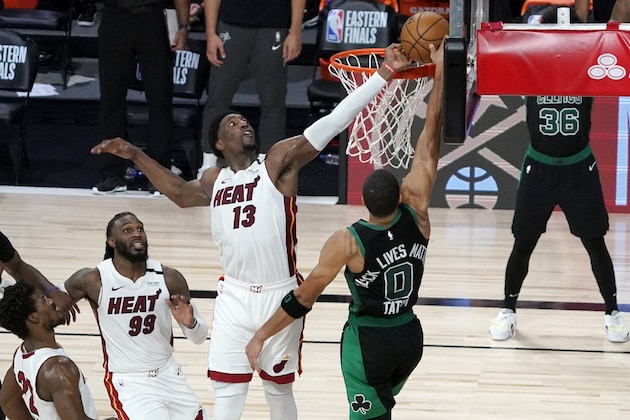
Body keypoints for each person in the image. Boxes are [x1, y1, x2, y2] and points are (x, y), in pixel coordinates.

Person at [89, 43, 412, 420]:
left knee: (278, 389)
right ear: (219, 144)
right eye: (233, 123)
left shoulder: (276, 163)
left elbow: (334, 121)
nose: (243, 124)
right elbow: (177, 192)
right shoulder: (215, 179)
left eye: (245, 120)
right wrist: (134, 154)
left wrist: (384, 75)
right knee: (227, 391)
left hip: (280, 292)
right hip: (234, 296)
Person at [244, 42, 444, 420]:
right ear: (399, 196)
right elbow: (429, 143)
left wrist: (260, 336)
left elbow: (302, 299)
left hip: (368, 343)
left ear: (365, 202)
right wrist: (441, 73)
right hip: (409, 336)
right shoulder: (417, 213)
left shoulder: (348, 242)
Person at [488, 5, 629, 344]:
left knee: (595, 243)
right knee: (523, 243)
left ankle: (613, 312)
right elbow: (503, 45)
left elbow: (615, 25)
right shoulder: (530, 68)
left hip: (580, 168)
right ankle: (507, 309)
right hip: (539, 168)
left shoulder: (589, 68)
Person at [62, 212, 210, 419]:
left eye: (140, 229)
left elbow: (199, 337)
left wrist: (190, 323)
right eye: (127, 230)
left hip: (169, 373)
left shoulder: (168, 277)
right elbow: (50, 302)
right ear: (111, 241)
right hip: (130, 382)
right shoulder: (94, 279)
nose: (137, 234)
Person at [197, 0, 305, 178]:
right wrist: (210, 33)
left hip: (273, 25)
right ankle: (208, 165)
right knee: (218, 98)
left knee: (273, 101)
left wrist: (295, 31)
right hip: (231, 24)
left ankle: (269, 167)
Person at [92, 0, 190, 194]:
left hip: (153, 17)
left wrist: (183, 26)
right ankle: (112, 173)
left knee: (160, 99)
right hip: (115, 16)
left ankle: (159, 174)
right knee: (111, 99)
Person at [0, 282, 98, 419]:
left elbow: (8, 401)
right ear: (33, 317)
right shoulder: (58, 370)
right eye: (43, 299)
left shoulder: (22, 354)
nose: (51, 301)